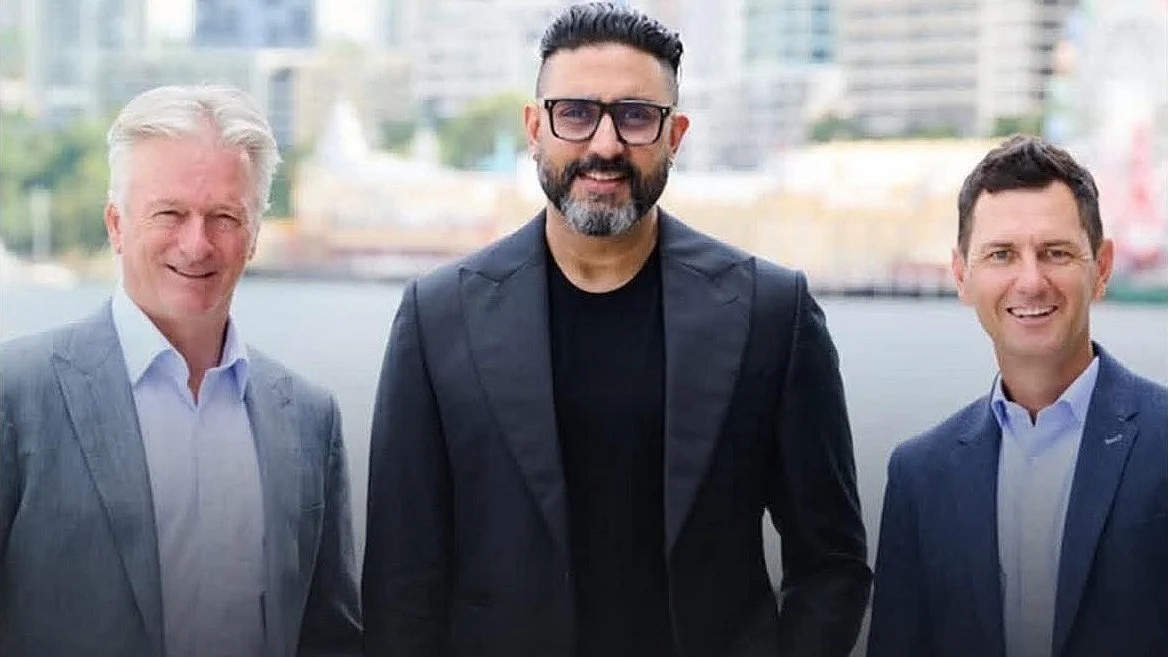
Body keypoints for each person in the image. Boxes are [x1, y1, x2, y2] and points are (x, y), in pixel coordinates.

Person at [362, 4, 870, 656]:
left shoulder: (772, 313)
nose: (605, 144)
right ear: (534, 127)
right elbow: (400, 586)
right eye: (575, 112)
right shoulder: (436, 319)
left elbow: (831, 563)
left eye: (635, 116)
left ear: (675, 134)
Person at [0, 85, 362, 657]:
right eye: (169, 213)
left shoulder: (311, 421)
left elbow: (331, 636)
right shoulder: (15, 397)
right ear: (116, 225)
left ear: (255, 235)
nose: (197, 244)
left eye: (224, 216)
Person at [867, 134, 1168, 657]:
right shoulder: (920, 476)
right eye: (1002, 254)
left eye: (1055, 252)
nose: (1031, 281)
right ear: (962, 276)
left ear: (1100, 268)